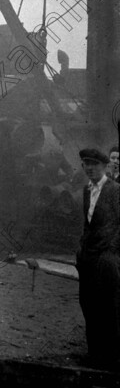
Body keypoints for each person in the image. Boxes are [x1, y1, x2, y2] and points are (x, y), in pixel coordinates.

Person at [75, 147, 120, 367]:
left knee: (108, 306)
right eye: (86, 164)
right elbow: (88, 224)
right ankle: (94, 354)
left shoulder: (115, 190)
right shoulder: (87, 190)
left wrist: (111, 251)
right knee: (88, 303)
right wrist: (81, 248)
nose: (90, 168)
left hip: (107, 258)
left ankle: (110, 357)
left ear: (105, 167)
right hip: (89, 257)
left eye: (95, 165)